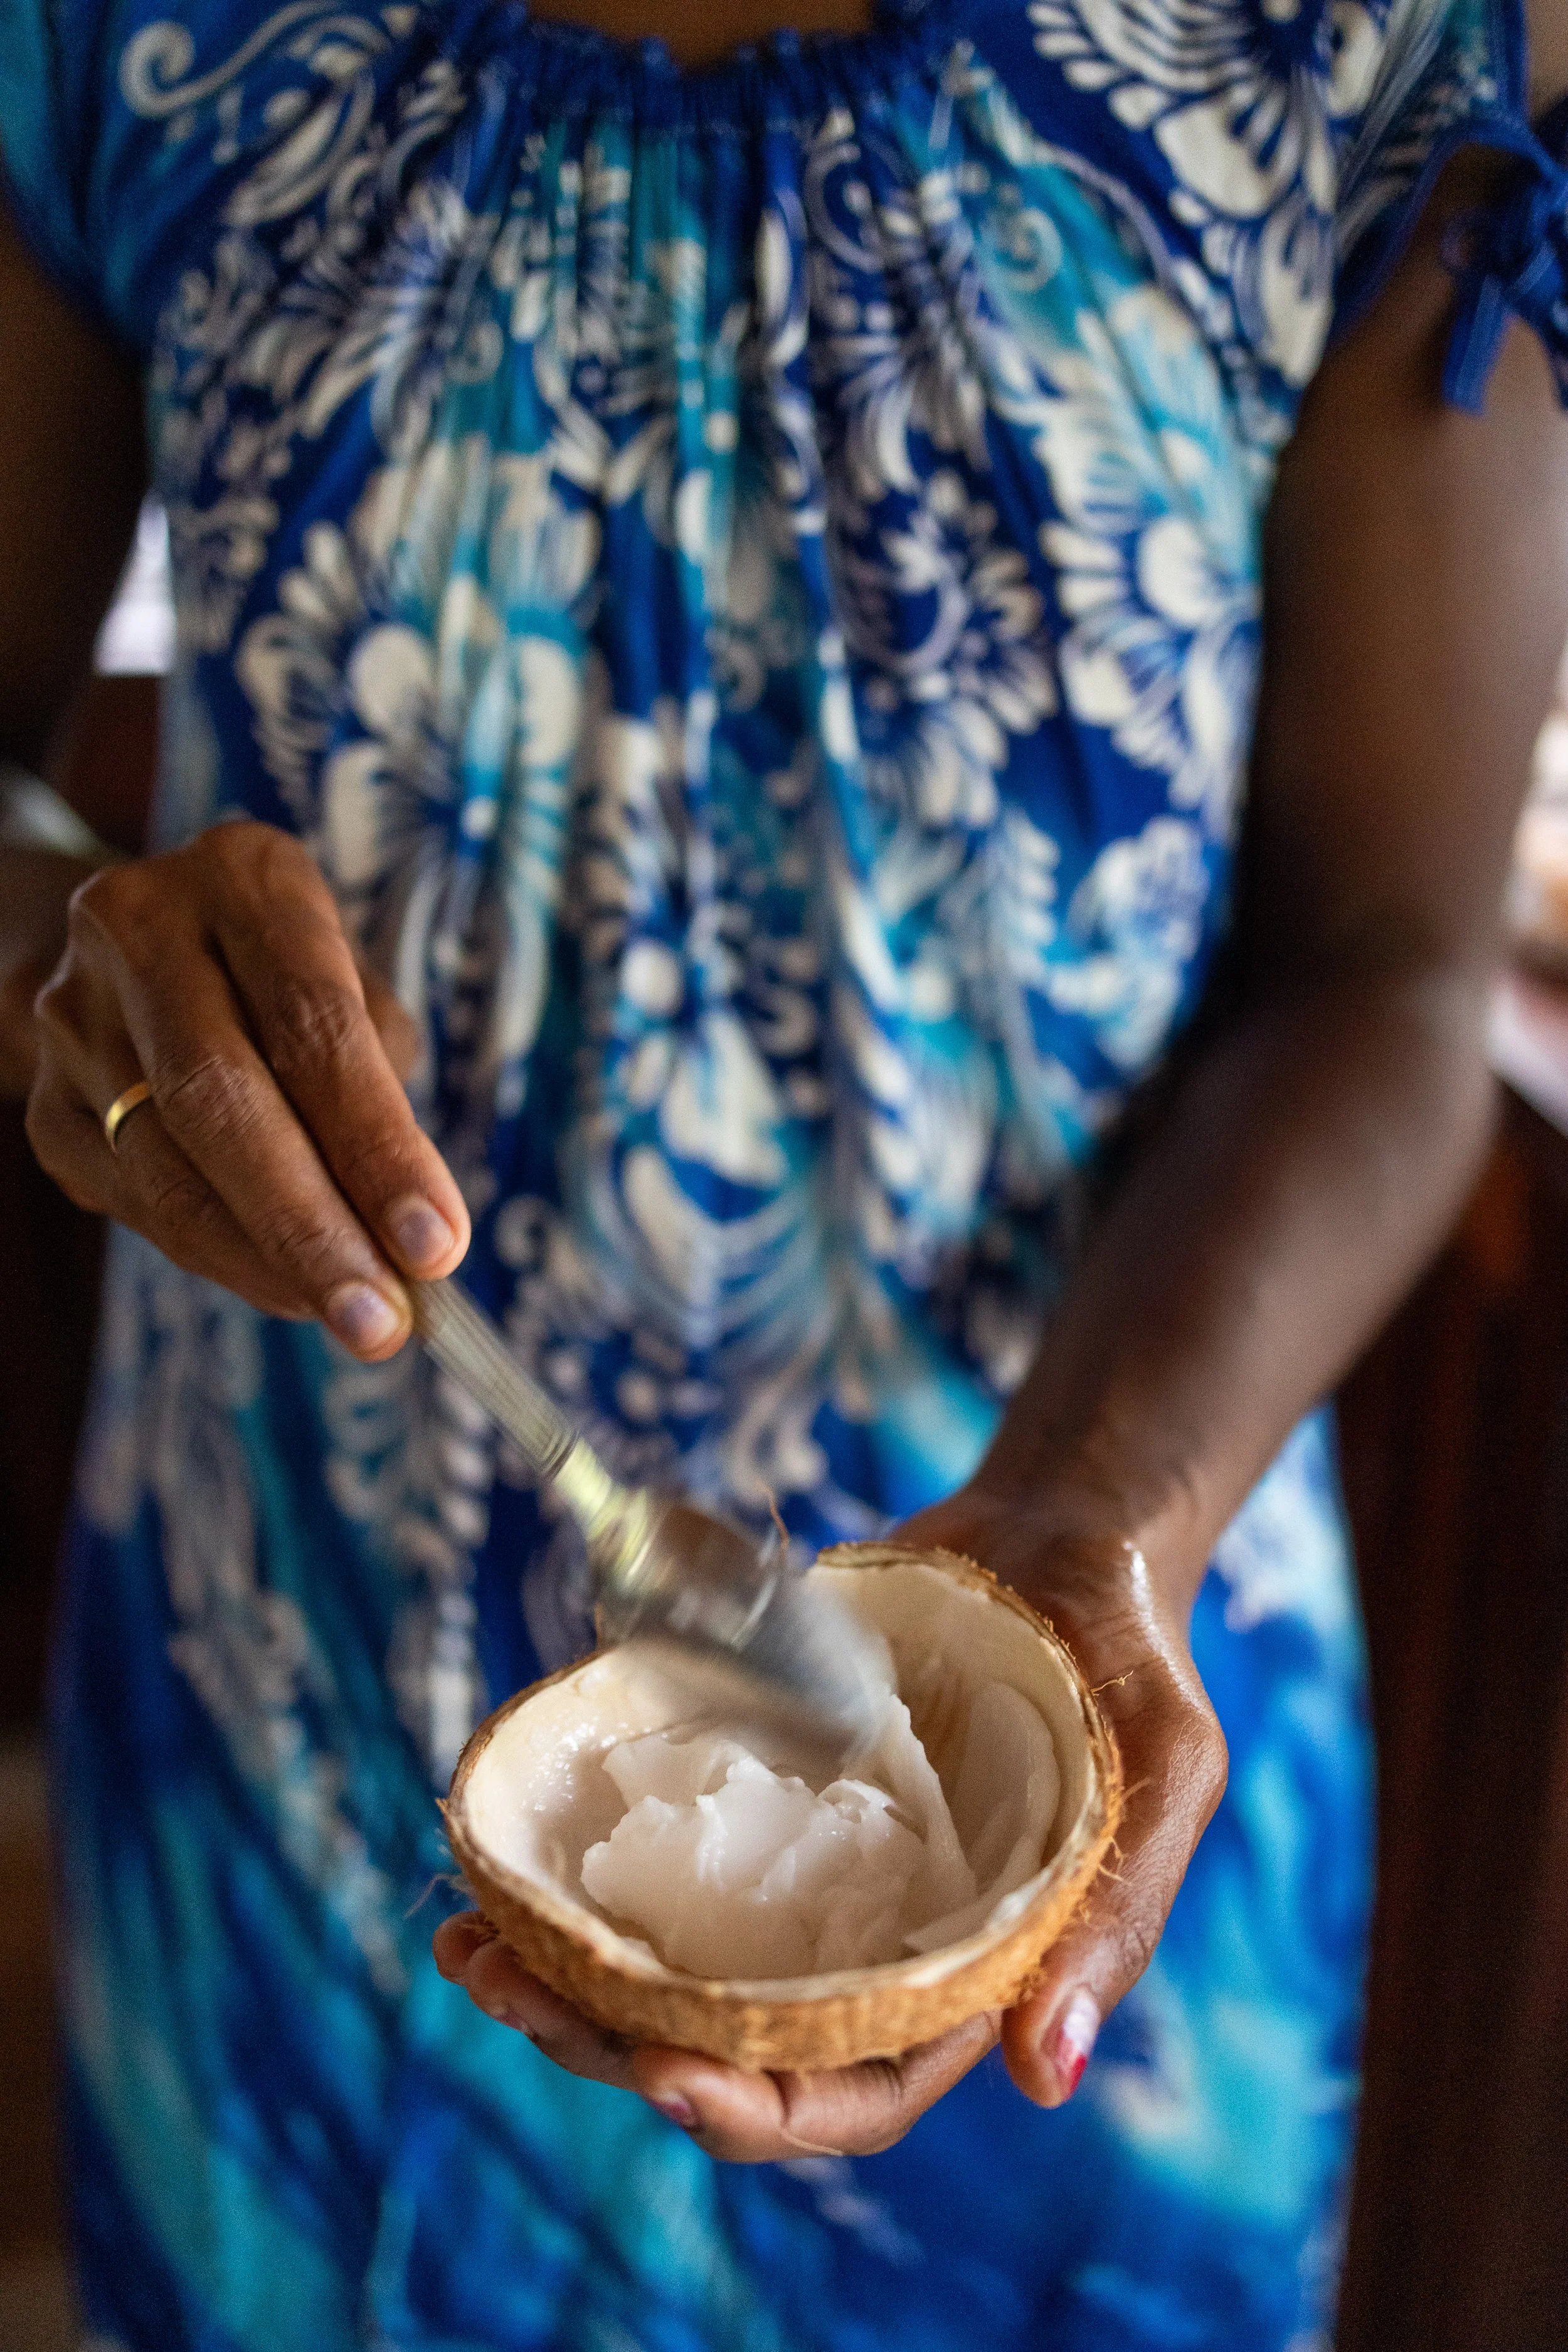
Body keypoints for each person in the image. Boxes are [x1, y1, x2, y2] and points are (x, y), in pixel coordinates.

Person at [3, 0, 1567, 2340]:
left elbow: (1392, 965)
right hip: (306, 1755)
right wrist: (71, 950)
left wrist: (1088, 1531)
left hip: (1092, 1711)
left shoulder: (1353, 48)